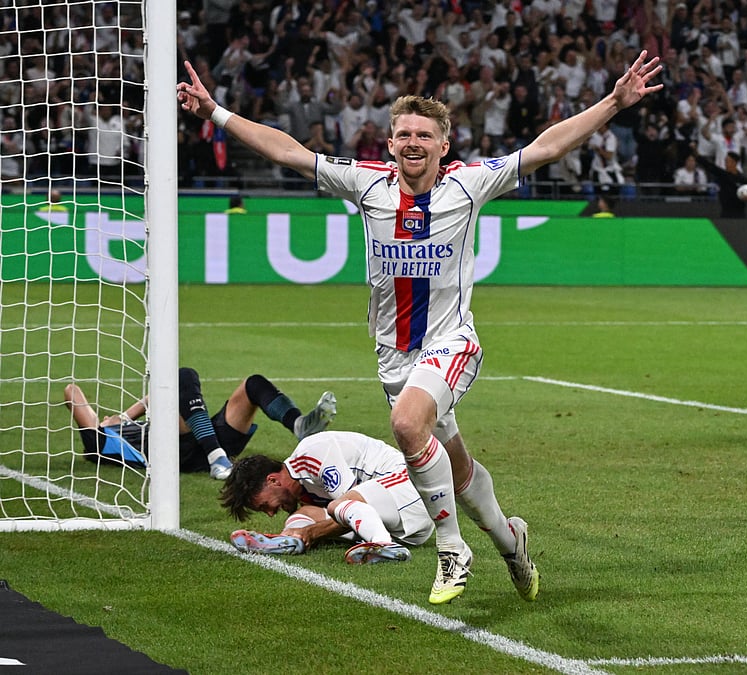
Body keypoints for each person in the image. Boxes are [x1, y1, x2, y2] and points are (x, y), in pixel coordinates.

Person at [177, 52, 662, 604]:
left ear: (443, 145)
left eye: (424, 135)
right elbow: (290, 151)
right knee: (458, 476)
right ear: (389, 143)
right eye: (403, 133)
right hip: (395, 360)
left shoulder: (469, 185)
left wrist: (612, 104)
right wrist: (216, 112)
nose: (413, 142)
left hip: (452, 344)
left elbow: (547, 146)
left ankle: (452, 549)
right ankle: (511, 541)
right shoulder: (367, 185)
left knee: (407, 426)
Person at [64, 367, 336, 481]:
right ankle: (217, 458)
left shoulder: (114, 430)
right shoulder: (99, 443)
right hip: (174, 450)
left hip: (205, 438)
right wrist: (109, 424)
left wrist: (123, 417)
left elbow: (159, 392)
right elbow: (71, 391)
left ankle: (298, 424)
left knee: (252, 384)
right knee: (183, 376)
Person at [221, 430, 435, 565]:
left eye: (266, 505)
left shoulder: (311, 452)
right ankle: (289, 540)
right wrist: (304, 530)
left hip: (411, 490)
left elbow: (350, 506)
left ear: (273, 480)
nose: (270, 513)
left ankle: (383, 546)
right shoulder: (305, 487)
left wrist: (313, 533)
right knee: (304, 514)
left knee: (339, 506)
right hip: (404, 526)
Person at [695, 151, 747, 218]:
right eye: (725, 161)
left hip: (740, 214)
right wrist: (697, 154)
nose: (725, 164)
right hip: (726, 214)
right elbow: (710, 166)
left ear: (734, 163)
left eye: (727, 161)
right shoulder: (723, 175)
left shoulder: (743, 179)